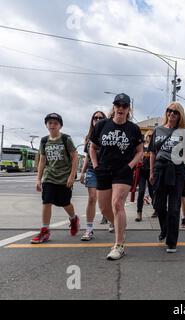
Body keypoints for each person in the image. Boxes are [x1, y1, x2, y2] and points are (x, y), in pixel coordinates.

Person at [90, 93, 144, 260]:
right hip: (104, 170)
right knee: (104, 208)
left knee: (117, 203)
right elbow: (92, 147)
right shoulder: (102, 125)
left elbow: (140, 152)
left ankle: (119, 244)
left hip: (123, 171)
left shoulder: (133, 129)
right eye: (118, 105)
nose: (121, 108)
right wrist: (96, 165)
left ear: (129, 109)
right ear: (113, 107)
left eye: (124, 106)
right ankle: (119, 224)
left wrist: (129, 166)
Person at [150, 102, 185, 253]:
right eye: (169, 111)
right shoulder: (157, 130)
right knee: (159, 205)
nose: (171, 114)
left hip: (177, 170)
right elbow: (152, 153)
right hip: (160, 169)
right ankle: (165, 229)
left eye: (175, 112)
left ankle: (171, 241)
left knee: (174, 207)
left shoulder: (184, 133)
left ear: (180, 115)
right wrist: (151, 172)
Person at [32, 113, 79, 244]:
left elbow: (75, 157)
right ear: (46, 125)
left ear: (60, 126)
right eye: (50, 123)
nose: (52, 125)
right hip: (49, 176)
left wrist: (71, 176)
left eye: (55, 123)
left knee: (65, 203)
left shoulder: (66, 139)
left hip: (64, 177)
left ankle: (74, 218)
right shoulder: (44, 141)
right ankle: (44, 231)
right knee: (46, 202)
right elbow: (42, 161)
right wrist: (38, 179)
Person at [79, 111, 107, 241]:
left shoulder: (108, 134)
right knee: (92, 198)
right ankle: (89, 229)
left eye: (100, 118)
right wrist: (82, 172)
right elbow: (87, 156)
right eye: (95, 118)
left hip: (107, 170)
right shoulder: (88, 136)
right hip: (92, 170)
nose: (97, 119)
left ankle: (112, 221)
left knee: (107, 200)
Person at [135, 131, 154, 222]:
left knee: (152, 193)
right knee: (141, 192)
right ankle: (139, 213)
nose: (150, 137)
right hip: (142, 172)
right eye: (149, 136)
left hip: (151, 172)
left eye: (152, 136)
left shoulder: (154, 147)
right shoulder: (142, 147)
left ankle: (156, 209)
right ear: (146, 137)